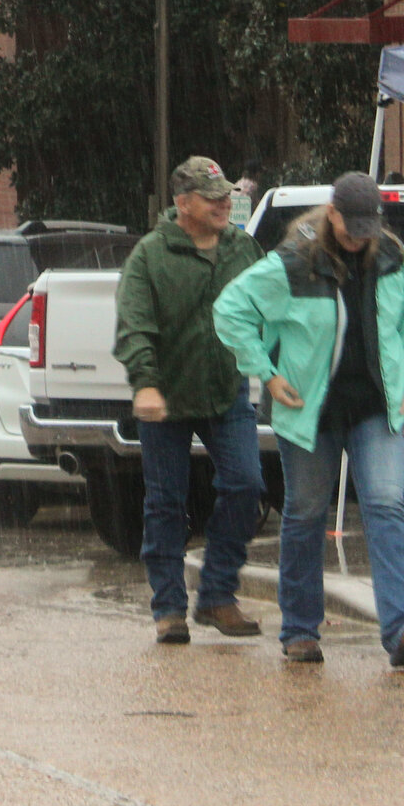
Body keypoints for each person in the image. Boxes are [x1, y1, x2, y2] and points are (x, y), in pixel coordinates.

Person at [215, 171, 404, 668]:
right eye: (351, 226)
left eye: (369, 227)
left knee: (385, 503)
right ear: (332, 213)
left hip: (374, 408)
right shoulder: (294, 262)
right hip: (308, 411)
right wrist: (267, 375)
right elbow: (231, 309)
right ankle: (299, 629)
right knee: (306, 513)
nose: (360, 237)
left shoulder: (393, 258)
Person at [113, 157, 265, 644]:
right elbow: (135, 325)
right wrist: (146, 382)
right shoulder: (149, 256)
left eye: (226, 195)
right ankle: (169, 608)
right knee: (166, 502)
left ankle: (218, 593)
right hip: (168, 396)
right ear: (183, 203)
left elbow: (274, 309)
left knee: (246, 486)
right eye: (211, 196)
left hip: (226, 390)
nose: (224, 203)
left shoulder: (244, 250)